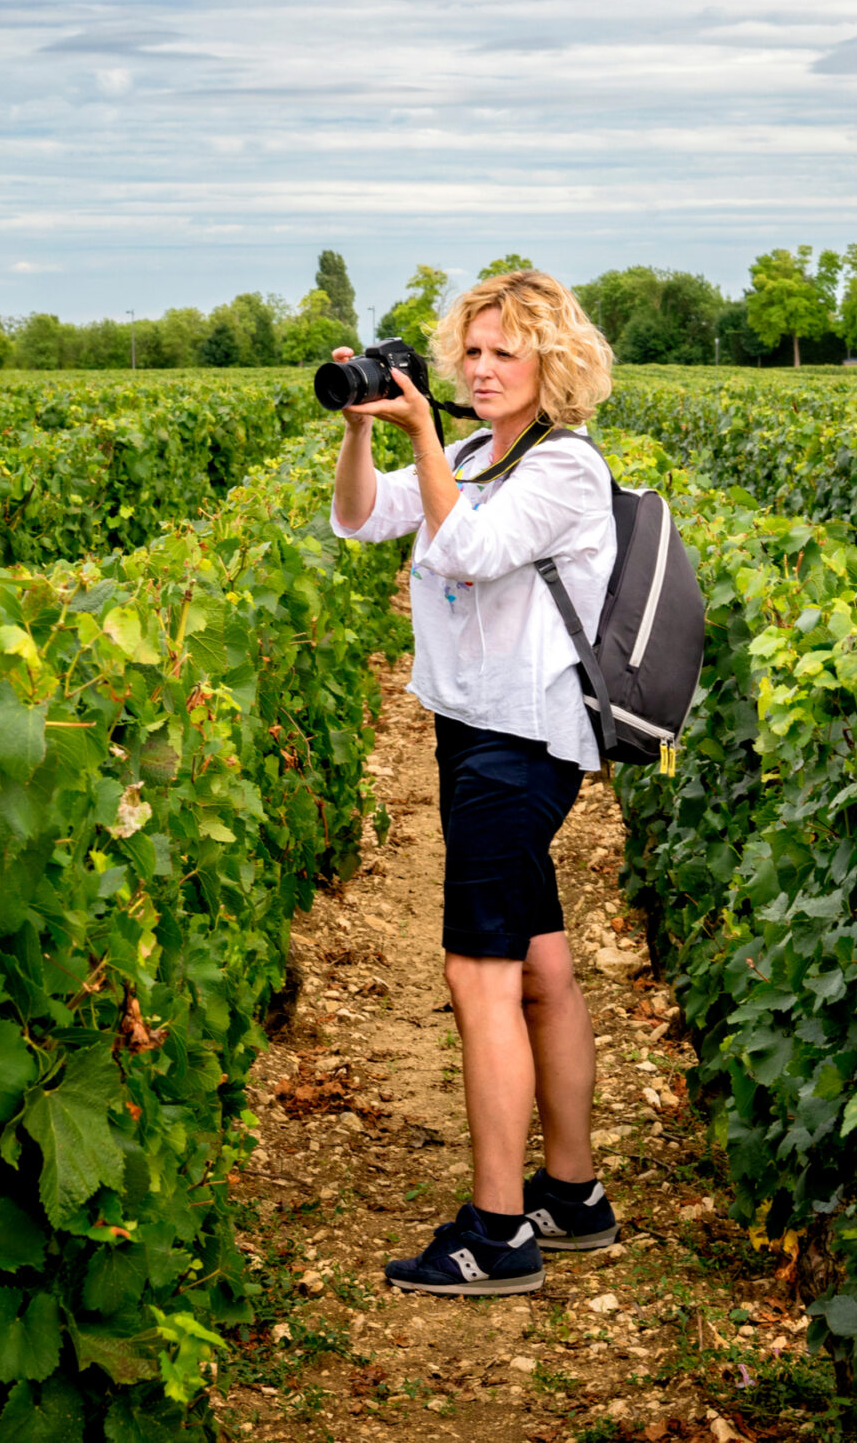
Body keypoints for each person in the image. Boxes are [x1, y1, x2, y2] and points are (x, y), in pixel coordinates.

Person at [328, 268, 621, 1295]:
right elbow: (361, 521)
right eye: (474, 352)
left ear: (554, 362)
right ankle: (572, 1194)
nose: (484, 369)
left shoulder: (564, 470)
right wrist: (367, 425)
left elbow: (473, 545)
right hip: (472, 735)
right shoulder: (467, 451)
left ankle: (497, 1232)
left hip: (521, 745)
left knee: (477, 974)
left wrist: (417, 437)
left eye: (506, 352)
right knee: (539, 960)